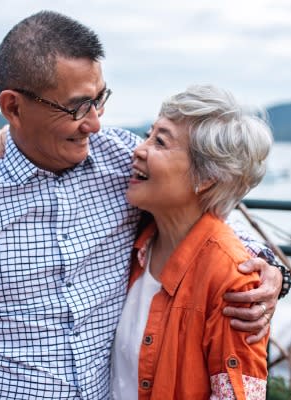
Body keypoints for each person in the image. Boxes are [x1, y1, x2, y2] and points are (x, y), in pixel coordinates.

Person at [0, 10, 289, 399]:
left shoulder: (123, 160)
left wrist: (268, 268)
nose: (95, 122)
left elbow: (198, 214)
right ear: (13, 107)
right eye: (78, 106)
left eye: (100, 99)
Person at [110, 84, 272, 399]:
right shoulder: (137, 242)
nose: (139, 150)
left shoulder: (233, 281)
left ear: (206, 177)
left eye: (160, 141)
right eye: (148, 134)